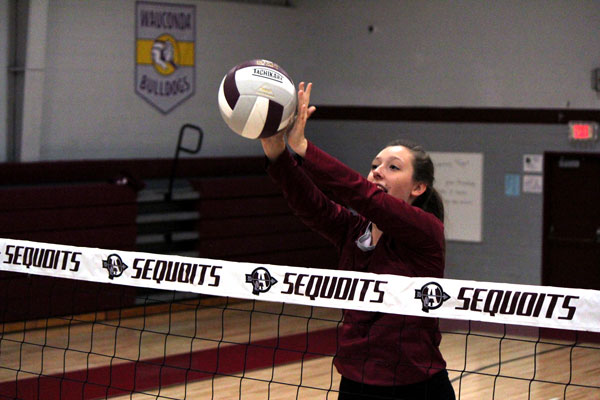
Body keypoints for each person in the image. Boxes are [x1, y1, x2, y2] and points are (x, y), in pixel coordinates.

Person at [261, 82, 456, 400]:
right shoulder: (355, 232)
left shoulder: (425, 231)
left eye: (393, 168)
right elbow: (312, 204)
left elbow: (361, 195)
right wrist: (277, 153)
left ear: (418, 188)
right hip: (356, 384)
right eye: (375, 165)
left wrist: (305, 148)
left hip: (416, 387)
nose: (378, 172)